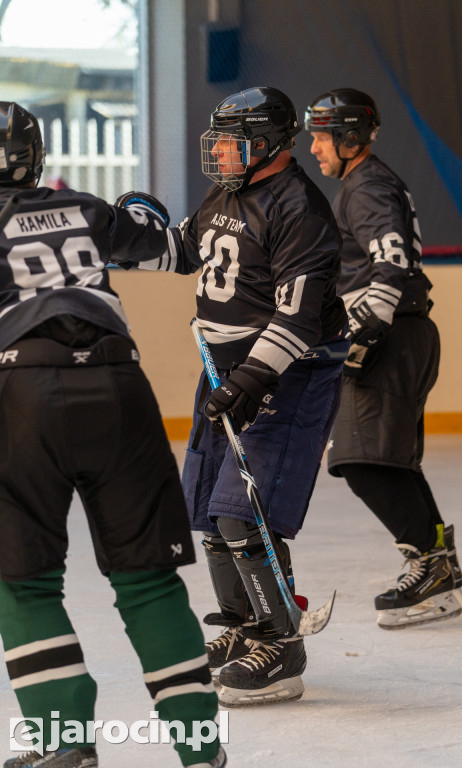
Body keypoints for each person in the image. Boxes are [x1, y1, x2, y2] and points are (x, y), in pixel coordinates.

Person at [0, 102, 226, 768]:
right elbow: (175, 251)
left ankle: (64, 744)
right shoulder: (83, 209)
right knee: (149, 579)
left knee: (23, 582)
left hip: (23, 392)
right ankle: (201, 750)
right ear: (35, 157)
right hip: (120, 387)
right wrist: (143, 212)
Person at [115, 86, 348, 706]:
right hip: (223, 369)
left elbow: (297, 321)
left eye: (230, 141)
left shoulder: (300, 209)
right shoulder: (230, 191)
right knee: (211, 516)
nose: (218, 152)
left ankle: (282, 644)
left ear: (269, 145)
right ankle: (247, 627)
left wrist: (250, 380)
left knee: (242, 512)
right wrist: (126, 239)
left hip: (284, 373)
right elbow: (184, 251)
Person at [304, 88, 462, 630]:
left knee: (357, 459)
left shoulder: (366, 186)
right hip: (407, 333)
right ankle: (437, 562)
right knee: (390, 458)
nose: (314, 147)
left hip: (391, 337)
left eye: (322, 136)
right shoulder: (368, 182)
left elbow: (390, 262)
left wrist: (365, 331)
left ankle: (429, 564)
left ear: (351, 138)